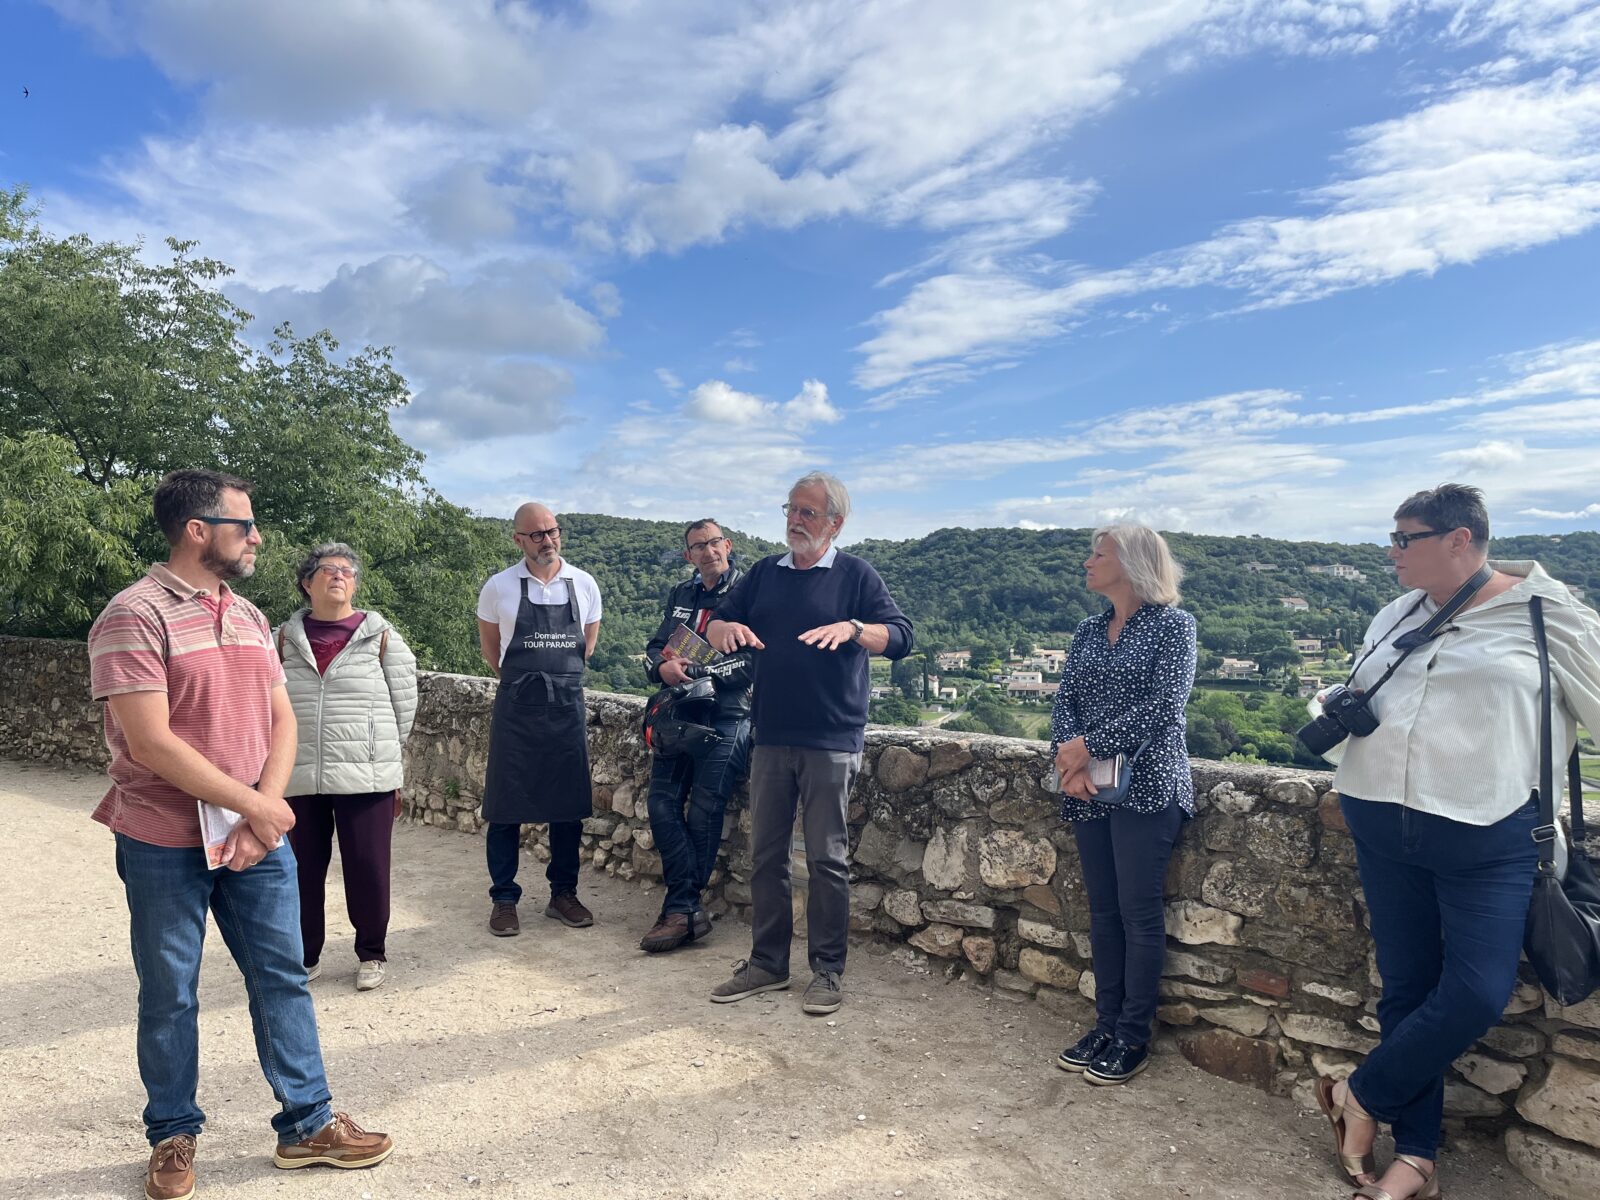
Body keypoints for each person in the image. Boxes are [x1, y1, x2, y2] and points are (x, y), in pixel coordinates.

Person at [86, 470, 393, 1200]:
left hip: (253, 836)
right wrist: (261, 809)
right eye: (243, 525)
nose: (256, 538)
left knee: (280, 977)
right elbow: (152, 742)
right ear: (199, 530)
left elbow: (283, 719)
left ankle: (307, 1124)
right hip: (163, 837)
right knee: (169, 993)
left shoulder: (251, 617)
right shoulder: (133, 615)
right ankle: (171, 1135)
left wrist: (262, 807)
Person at [1316, 484, 1600, 1200]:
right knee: (1407, 990)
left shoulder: (1547, 613)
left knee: (1476, 992)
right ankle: (1416, 1159)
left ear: (1459, 539)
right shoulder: (1395, 611)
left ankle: (1360, 1094)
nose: (1391, 552)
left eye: (1404, 539)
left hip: (1490, 832)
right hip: (1380, 818)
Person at [705, 472, 914, 1015]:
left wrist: (853, 629)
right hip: (770, 734)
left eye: (808, 514)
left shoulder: (856, 576)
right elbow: (721, 620)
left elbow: (901, 636)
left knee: (827, 859)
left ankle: (827, 971)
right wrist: (722, 630)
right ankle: (768, 964)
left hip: (831, 739)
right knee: (766, 855)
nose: (796, 521)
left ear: (835, 523)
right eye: (791, 510)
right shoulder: (763, 574)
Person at [1049, 523, 1196, 1087]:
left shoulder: (1173, 627)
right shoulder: (1088, 630)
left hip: (1149, 786)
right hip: (1087, 787)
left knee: (1138, 915)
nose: (1087, 561)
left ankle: (1133, 1035)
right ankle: (1105, 1024)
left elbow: (1166, 707)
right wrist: (1070, 762)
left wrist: (1088, 748)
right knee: (1104, 913)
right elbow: (1066, 700)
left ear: (1132, 562)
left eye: (1098, 553)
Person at [277, 542, 418, 992]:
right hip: (297, 771)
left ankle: (372, 952)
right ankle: (306, 954)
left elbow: (405, 704)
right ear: (307, 583)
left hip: (366, 774)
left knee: (367, 867)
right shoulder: (280, 639)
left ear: (355, 583)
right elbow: (262, 703)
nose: (338, 575)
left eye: (346, 570)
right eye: (327, 569)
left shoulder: (381, 637)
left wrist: (385, 757)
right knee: (301, 869)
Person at [476, 502, 602, 935]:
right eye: (537, 534)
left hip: (566, 708)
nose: (547, 540)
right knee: (505, 806)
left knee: (567, 808)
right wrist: (524, 686)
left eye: (553, 531)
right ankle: (504, 898)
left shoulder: (584, 583)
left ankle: (563, 894)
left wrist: (558, 682)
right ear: (518, 540)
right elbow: (492, 651)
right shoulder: (498, 587)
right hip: (517, 709)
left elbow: (587, 645)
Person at [638, 519, 754, 952]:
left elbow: (753, 663)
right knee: (661, 802)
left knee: (704, 811)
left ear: (727, 545)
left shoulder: (749, 595)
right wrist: (661, 668)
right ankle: (685, 911)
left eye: (713, 543)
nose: (707, 552)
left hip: (728, 716)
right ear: (689, 556)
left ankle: (681, 909)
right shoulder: (681, 595)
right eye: (697, 547)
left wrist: (703, 670)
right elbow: (654, 646)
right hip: (680, 713)